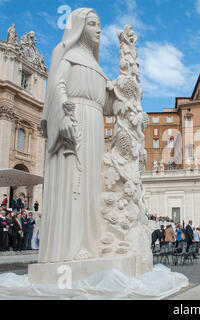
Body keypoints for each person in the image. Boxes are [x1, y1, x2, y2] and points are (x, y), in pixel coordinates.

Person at [39, 8, 113, 262]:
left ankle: (91, 242)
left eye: (99, 24)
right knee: (75, 183)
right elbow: (58, 86)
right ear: (80, 27)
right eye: (93, 24)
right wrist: (63, 116)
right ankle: (71, 246)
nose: (99, 29)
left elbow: (108, 104)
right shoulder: (66, 54)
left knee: (93, 184)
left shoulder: (96, 66)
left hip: (95, 122)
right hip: (76, 118)